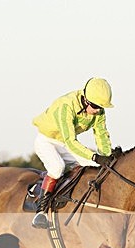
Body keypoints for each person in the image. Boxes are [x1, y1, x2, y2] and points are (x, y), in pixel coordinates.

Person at [30, 77, 114, 229]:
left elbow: (101, 135)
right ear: (86, 100)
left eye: (101, 108)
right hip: (46, 141)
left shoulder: (98, 112)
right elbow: (70, 141)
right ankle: (40, 212)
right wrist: (95, 155)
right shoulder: (66, 105)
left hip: (65, 144)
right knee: (57, 168)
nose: (97, 111)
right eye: (95, 106)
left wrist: (106, 156)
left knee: (94, 166)